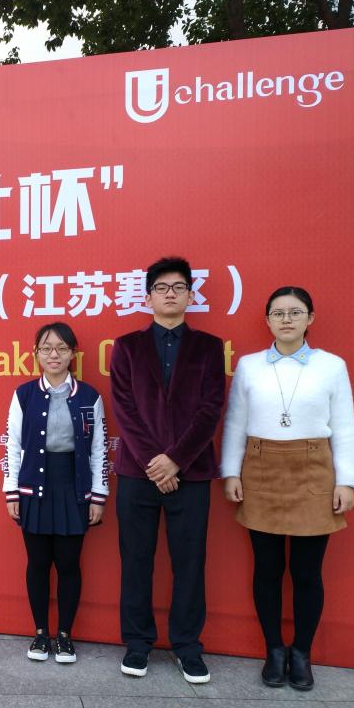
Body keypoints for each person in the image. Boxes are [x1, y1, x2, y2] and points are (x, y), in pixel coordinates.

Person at [221, 286, 354, 691]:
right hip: (260, 469)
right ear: (267, 320)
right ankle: (274, 650)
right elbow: (235, 422)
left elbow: (345, 425)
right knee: (267, 569)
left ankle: (302, 653)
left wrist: (346, 480)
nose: (286, 319)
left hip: (314, 469)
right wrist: (231, 472)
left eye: (295, 312)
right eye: (278, 313)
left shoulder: (331, 366)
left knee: (307, 572)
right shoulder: (249, 366)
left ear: (310, 319)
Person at [110, 256, 225, 683]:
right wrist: (155, 462)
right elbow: (124, 408)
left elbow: (211, 409)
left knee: (190, 562)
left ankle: (187, 646)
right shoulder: (127, 346)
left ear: (191, 296)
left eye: (178, 287)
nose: (170, 293)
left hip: (190, 473)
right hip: (137, 473)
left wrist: (175, 459)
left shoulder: (209, 348)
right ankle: (138, 643)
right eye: (162, 287)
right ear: (148, 297)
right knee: (136, 560)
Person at [3, 322, 109, 663]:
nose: (54, 355)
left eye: (62, 348)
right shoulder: (24, 395)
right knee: (37, 563)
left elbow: (99, 448)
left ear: (72, 354)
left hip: (72, 488)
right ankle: (40, 634)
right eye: (46, 348)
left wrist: (98, 494)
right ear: (36, 354)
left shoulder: (90, 397)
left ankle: (64, 635)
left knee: (68, 564)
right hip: (34, 486)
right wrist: (12, 491)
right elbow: (13, 444)